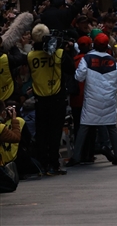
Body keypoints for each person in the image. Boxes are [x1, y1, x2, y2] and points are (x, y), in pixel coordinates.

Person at [67, 34, 117, 167]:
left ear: (94, 44)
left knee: (84, 127)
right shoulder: (113, 61)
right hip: (108, 99)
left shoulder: (87, 59)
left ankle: (76, 157)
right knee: (111, 128)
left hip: (92, 99)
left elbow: (79, 77)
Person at [27, 24, 75, 175]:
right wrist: (65, 48)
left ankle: (43, 164)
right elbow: (71, 68)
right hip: (57, 98)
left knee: (42, 133)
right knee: (55, 133)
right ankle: (55, 164)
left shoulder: (30, 56)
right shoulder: (59, 53)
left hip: (40, 100)